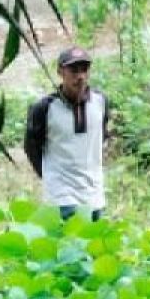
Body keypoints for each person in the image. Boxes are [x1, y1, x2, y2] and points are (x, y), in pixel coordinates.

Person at [24, 47, 109, 221]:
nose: (80, 76)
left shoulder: (100, 102)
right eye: (74, 70)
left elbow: (101, 137)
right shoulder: (45, 108)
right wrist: (49, 176)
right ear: (60, 72)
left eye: (84, 70)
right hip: (62, 197)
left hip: (94, 194)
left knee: (95, 246)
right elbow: (31, 148)